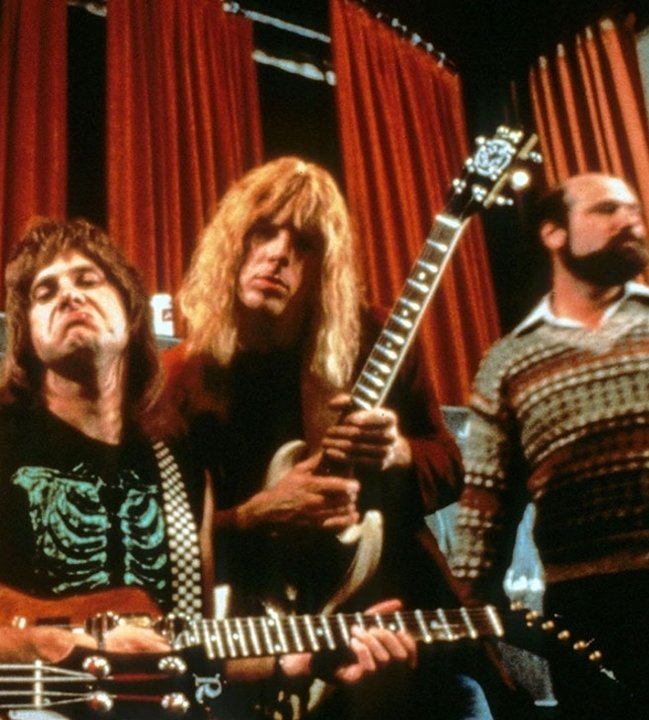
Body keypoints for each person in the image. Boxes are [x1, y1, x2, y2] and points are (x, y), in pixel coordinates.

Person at [0, 217, 415, 717]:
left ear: (131, 313)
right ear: (27, 338)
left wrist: (301, 657)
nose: (68, 296)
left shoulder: (183, 469)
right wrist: (44, 650)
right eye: (44, 292)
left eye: (88, 280)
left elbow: (182, 649)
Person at [161, 157, 509, 719]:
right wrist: (251, 516)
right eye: (263, 232)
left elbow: (448, 463)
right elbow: (160, 540)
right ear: (232, 246)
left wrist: (398, 453)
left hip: (393, 623)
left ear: (326, 266)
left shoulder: (372, 340)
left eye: (304, 243)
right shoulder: (184, 378)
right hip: (264, 640)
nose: (279, 254)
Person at [450, 173, 649, 719]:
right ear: (554, 232)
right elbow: (483, 511)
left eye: (634, 210)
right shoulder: (508, 362)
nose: (630, 220)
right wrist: (477, 625)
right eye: (607, 209)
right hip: (586, 617)